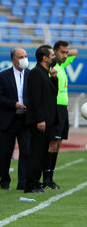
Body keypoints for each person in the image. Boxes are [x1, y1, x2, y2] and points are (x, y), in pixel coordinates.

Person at [0, 47, 30, 190]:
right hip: (8, 119)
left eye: (26, 56)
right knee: (5, 153)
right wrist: (13, 104)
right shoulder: (3, 76)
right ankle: (4, 181)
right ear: (14, 60)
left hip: (25, 120)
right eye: (21, 56)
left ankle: (22, 182)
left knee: (26, 151)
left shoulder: (30, 75)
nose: (24, 59)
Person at [43, 41, 78, 189]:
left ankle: (51, 178)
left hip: (63, 109)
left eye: (66, 52)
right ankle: (45, 179)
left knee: (57, 145)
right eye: (62, 52)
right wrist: (56, 56)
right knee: (51, 144)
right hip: (54, 108)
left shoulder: (62, 65)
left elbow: (75, 52)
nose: (65, 55)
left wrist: (62, 55)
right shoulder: (50, 67)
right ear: (54, 52)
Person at [24, 45, 58, 193]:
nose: (53, 57)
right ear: (44, 58)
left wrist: (54, 79)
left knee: (42, 154)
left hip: (47, 120)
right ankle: (30, 184)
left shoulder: (46, 73)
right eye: (51, 55)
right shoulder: (36, 73)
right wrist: (40, 119)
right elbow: (35, 99)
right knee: (36, 153)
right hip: (40, 121)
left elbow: (51, 95)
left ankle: (36, 182)